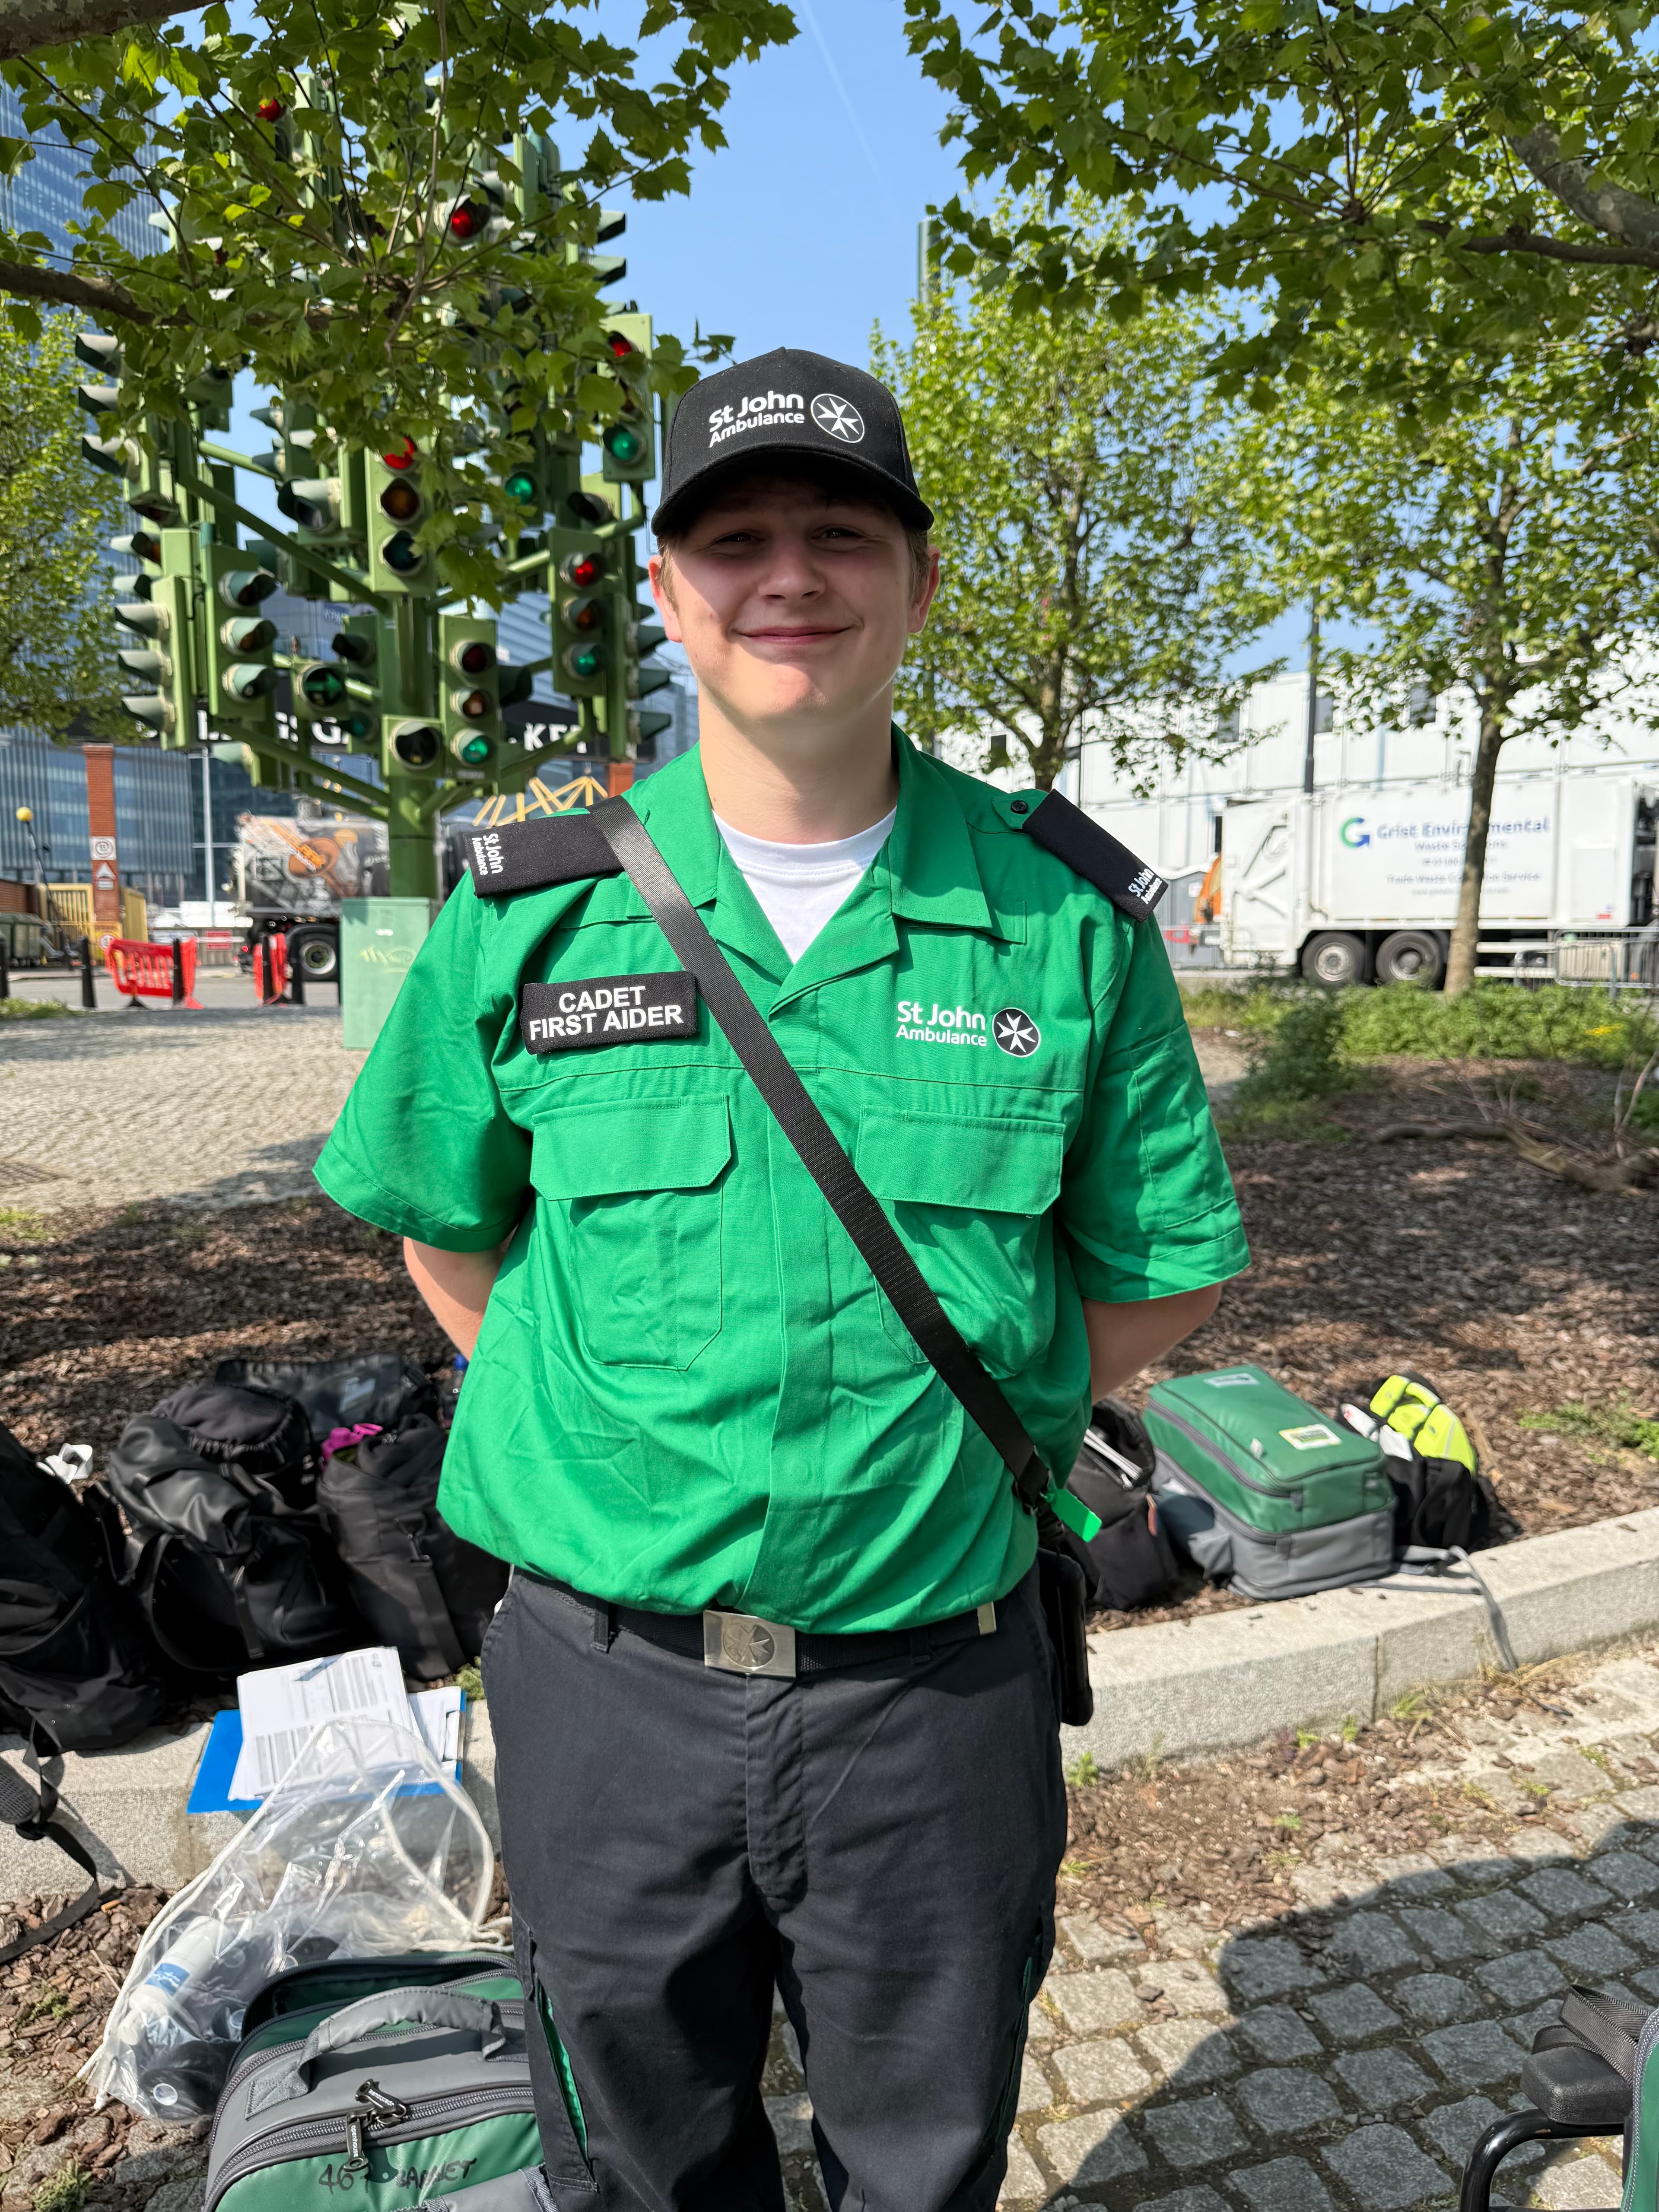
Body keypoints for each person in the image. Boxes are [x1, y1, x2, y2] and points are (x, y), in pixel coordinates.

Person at [314, 346, 1249, 2212]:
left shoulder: (1062, 914)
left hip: (934, 1693)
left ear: (916, 579)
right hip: (605, 1688)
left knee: (926, 2152)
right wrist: (622, 1445)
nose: (789, 576)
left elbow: (1149, 1282)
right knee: (649, 2157)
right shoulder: (528, 907)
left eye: (841, 533)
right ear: (669, 592)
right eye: (735, 539)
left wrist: (925, 1446)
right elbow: (445, 1229)